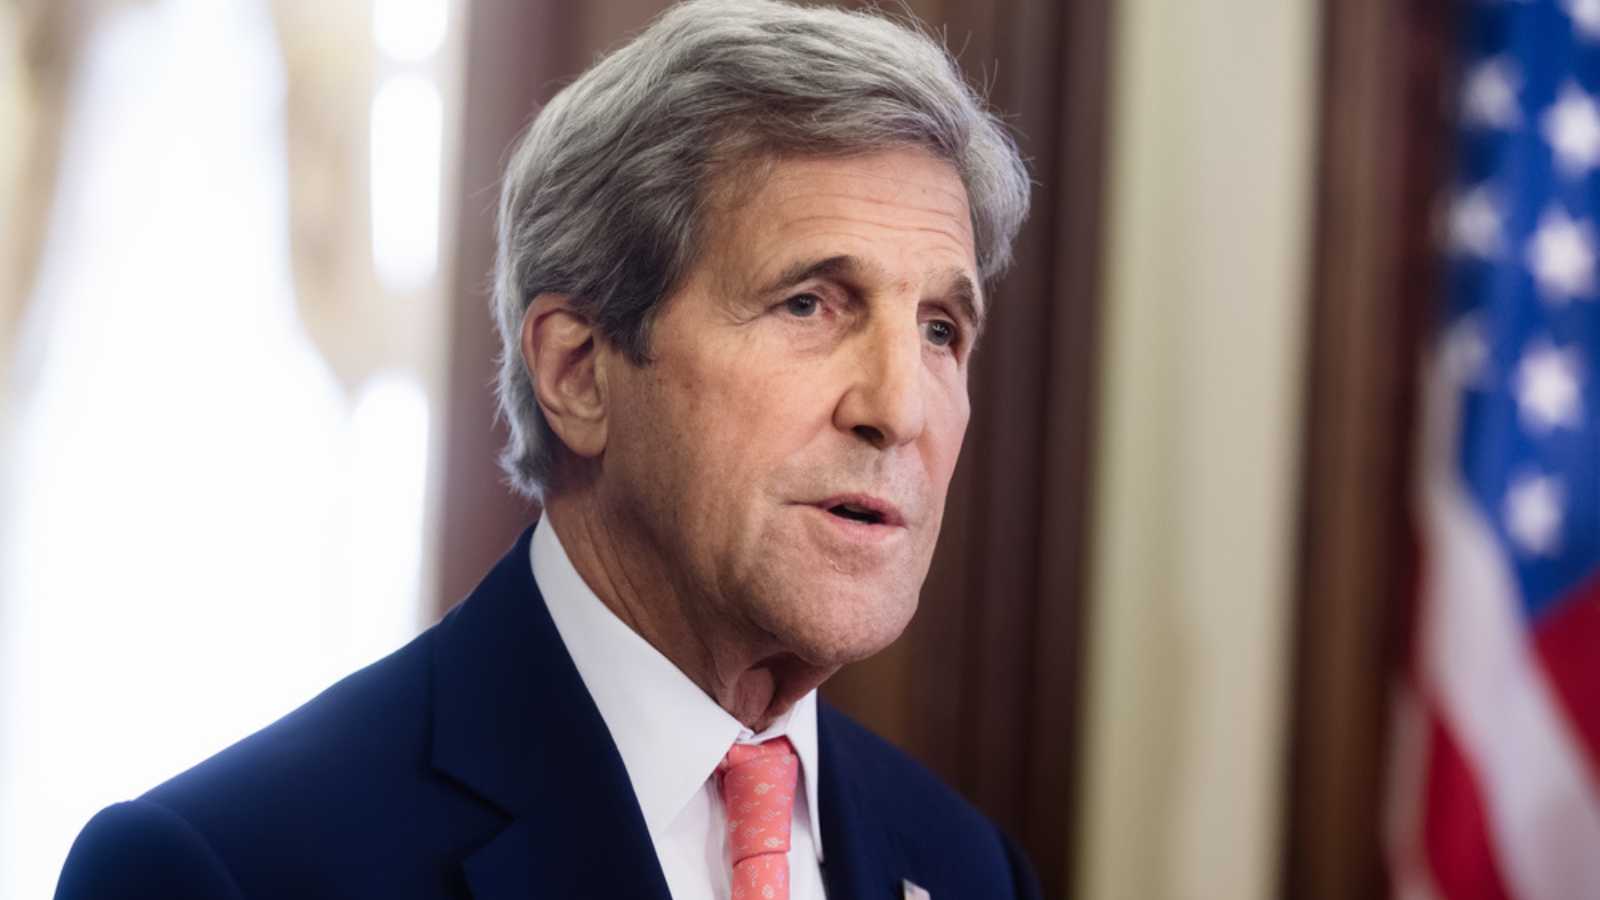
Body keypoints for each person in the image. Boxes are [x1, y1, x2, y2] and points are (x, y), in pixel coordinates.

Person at [54, 0, 1035, 897]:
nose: (898, 407)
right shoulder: (222, 867)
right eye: (809, 303)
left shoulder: (968, 866)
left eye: (941, 328)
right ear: (576, 371)